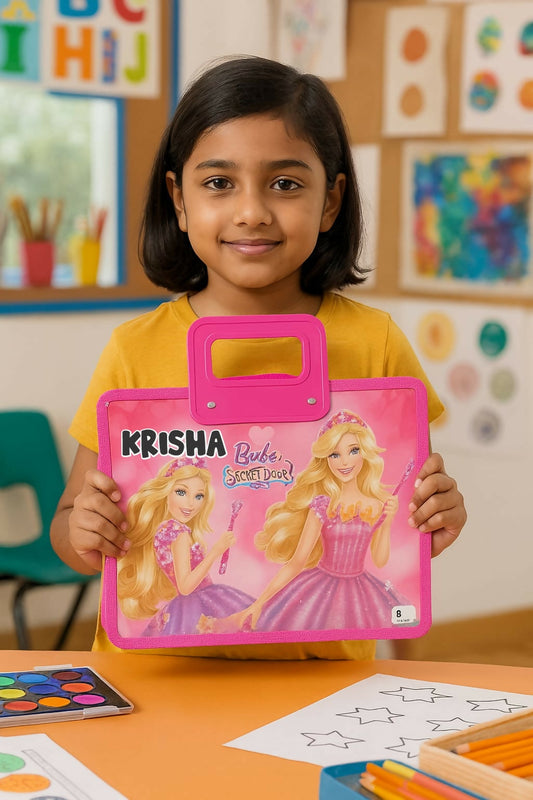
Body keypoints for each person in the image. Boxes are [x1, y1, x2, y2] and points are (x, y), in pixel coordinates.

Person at [51, 55, 466, 660]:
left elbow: (402, 516)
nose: (252, 210)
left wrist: (435, 517)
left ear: (331, 201)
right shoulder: (134, 349)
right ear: (179, 199)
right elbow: (71, 527)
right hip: (153, 686)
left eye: (286, 183)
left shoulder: (375, 342)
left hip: (315, 689)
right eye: (219, 182)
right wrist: (84, 531)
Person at [199, 410, 411, 635]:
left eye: (353, 450)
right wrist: (257, 604)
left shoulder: (377, 503)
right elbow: (297, 561)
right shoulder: (323, 504)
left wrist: (387, 521)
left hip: (361, 590)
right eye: (334, 454)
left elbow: (379, 560)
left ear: (365, 452)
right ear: (325, 458)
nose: (344, 461)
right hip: (319, 588)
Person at [116, 457, 254, 637]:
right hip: (199, 602)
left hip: (188, 605)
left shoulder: (164, 530)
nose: (190, 503)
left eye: (198, 496)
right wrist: (216, 551)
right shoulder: (177, 532)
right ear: (166, 493)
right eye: (181, 492)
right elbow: (186, 586)